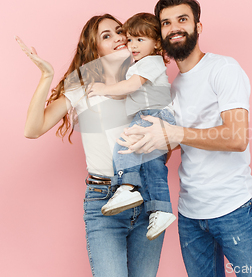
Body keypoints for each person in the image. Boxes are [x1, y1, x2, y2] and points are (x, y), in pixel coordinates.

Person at [117, 0, 252, 277]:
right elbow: (171, 143)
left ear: (198, 27)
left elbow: (237, 138)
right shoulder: (170, 87)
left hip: (233, 208)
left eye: (183, 19)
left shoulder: (223, 69)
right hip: (190, 215)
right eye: (166, 23)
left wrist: (174, 132)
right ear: (160, 35)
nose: (174, 27)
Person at [16, 14, 164, 277]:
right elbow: (32, 129)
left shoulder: (142, 77)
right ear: (94, 49)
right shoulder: (82, 85)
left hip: (147, 198)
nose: (119, 38)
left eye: (120, 31)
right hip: (104, 198)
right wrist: (46, 75)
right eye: (106, 36)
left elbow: (164, 140)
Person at [88, 12, 177, 240]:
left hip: (152, 115)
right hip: (158, 115)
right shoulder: (143, 64)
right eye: (130, 39)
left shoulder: (149, 62)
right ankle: (162, 209)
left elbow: (131, 86)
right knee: (152, 167)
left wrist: (103, 89)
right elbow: (129, 93)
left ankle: (126, 187)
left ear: (157, 43)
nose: (133, 45)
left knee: (124, 145)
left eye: (140, 40)